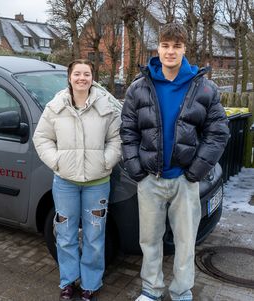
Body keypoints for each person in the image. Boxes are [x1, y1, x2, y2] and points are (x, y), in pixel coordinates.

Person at [120, 22, 230, 301]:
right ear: (158, 48)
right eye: (166, 45)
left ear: (184, 49)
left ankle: (181, 292)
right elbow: (128, 130)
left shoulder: (204, 88)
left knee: (185, 242)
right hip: (150, 181)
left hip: (184, 181)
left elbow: (218, 132)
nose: (171, 51)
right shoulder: (139, 88)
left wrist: (195, 172)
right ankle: (151, 290)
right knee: (150, 241)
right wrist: (137, 170)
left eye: (176, 46)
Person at [33, 59, 122, 301]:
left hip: (97, 182)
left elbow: (116, 140)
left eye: (87, 73)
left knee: (94, 236)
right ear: (70, 77)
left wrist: (106, 161)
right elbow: (41, 138)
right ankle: (68, 281)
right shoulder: (56, 106)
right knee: (65, 234)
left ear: (93, 77)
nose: (82, 78)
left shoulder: (105, 106)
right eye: (77, 74)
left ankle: (91, 284)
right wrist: (57, 162)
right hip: (65, 183)